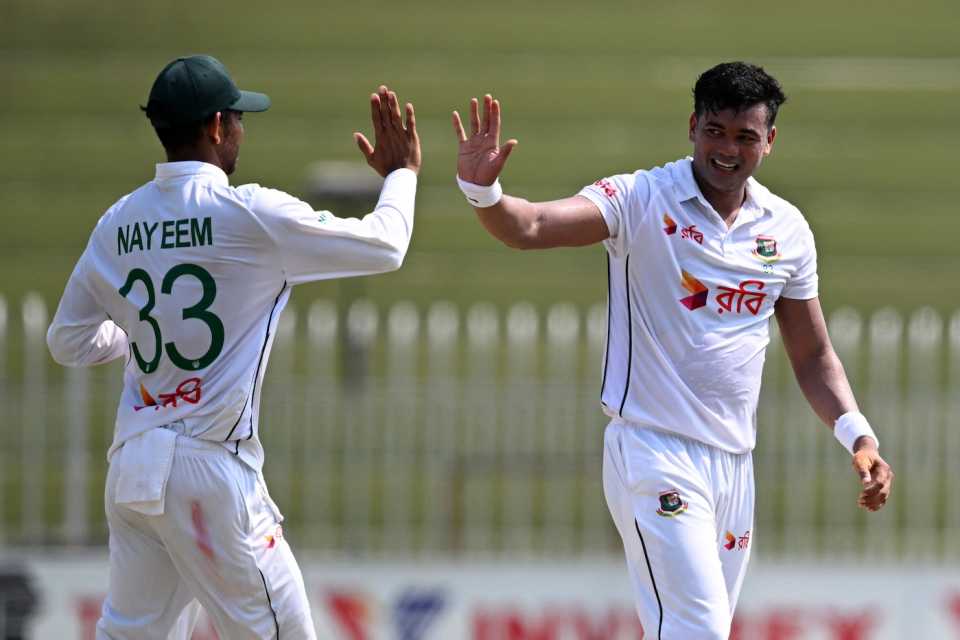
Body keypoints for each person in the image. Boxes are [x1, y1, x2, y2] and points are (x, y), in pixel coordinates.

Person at [452, 61, 893, 639]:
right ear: (692, 126)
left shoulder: (787, 230)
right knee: (698, 630)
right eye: (715, 131)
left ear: (770, 141)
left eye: (745, 137)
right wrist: (483, 191)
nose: (727, 150)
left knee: (694, 630)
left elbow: (813, 357)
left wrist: (858, 436)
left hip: (735, 465)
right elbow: (529, 226)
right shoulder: (640, 198)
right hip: (653, 450)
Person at [47, 54, 421, 639]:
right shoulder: (250, 213)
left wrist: (141, 331)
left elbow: (66, 340)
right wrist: (401, 173)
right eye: (239, 119)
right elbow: (386, 245)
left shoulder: (118, 222)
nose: (243, 131)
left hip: (135, 466)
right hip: (208, 469)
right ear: (217, 126)